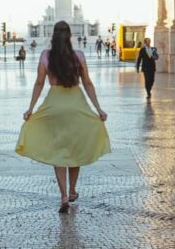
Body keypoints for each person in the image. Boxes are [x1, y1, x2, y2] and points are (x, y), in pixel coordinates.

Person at [16, 20, 110, 213]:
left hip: (54, 106)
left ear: (53, 35)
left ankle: (64, 196)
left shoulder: (45, 56)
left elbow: (39, 84)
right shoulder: (79, 56)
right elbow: (88, 84)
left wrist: (30, 108)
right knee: (75, 149)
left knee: (59, 150)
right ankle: (73, 189)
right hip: (76, 105)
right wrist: (99, 109)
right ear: (70, 36)